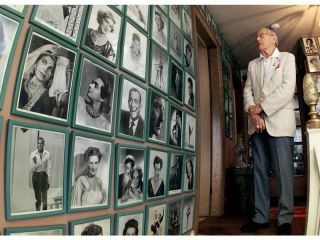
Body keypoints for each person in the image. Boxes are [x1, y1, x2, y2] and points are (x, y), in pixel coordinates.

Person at [241, 28, 296, 235]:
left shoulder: (287, 58)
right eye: (257, 36)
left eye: (261, 35)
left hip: (280, 123)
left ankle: (284, 220)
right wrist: (252, 113)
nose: (257, 39)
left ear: (274, 38)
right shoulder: (252, 65)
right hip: (257, 126)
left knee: (283, 173)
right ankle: (260, 217)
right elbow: (248, 90)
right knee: (259, 172)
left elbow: (287, 88)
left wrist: (261, 109)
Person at [18, 44, 58, 115]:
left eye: (50, 69)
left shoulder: (50, 99)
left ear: (52, 75)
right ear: (36, 63)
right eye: (44, 62)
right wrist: (43, 48)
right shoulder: (19, 82)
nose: (45, 69)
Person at [30, 137, 51, 211]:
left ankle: (44, 214)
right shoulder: (33, 154)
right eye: (38, 143)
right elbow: (32, 169)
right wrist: (35, 163)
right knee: (38, 198)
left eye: (41, 143)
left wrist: (49, 180)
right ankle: (37, 213)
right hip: (36, 176)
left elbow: (49, 168)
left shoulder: (47, 154)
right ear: (37, 144)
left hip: (44, 176)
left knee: (44, 197)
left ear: (43, 144)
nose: (39, 145)